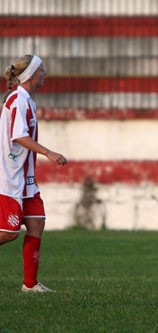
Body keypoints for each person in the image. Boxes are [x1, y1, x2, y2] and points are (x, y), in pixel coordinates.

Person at [0, 54, 67, 292]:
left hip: (26, 179)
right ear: (31, 76)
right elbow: (18, 136)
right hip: (10, 178)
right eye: (42, 71)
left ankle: (30, 285)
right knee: (8, 233)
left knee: (36, 223)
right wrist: (49, 153)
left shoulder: (26, 100)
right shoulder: (18, 100)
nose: (45, 75)